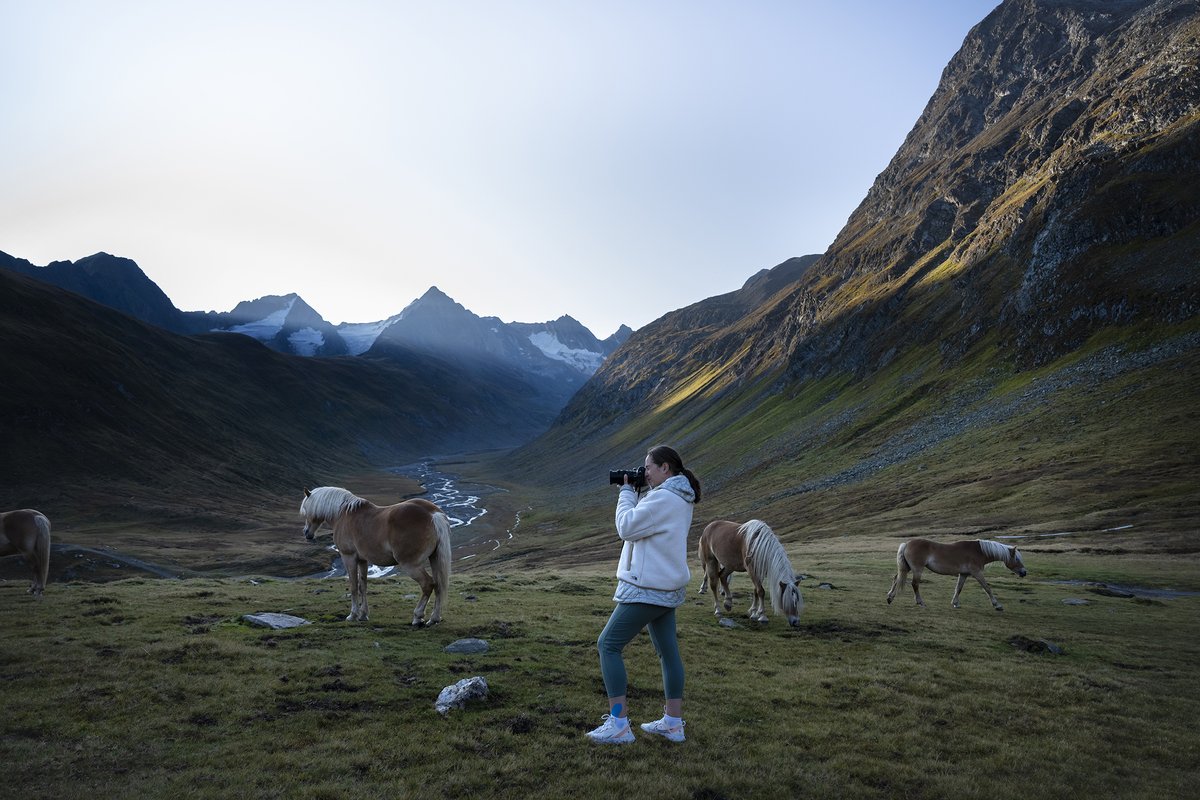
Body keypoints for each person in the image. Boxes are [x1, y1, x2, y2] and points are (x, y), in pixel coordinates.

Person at [586, 444, 702, 744]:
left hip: (646, 588)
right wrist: (638, 494)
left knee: (608, 645)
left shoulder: (663, 498)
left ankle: (618, 724)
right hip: (666, 587)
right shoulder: (679, 497)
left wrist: (626, 493)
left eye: (649, 466)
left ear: (665, 468)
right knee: (668, 653)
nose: (644, 472)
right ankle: (673, 723)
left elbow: (627, 527)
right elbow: (647, 526)